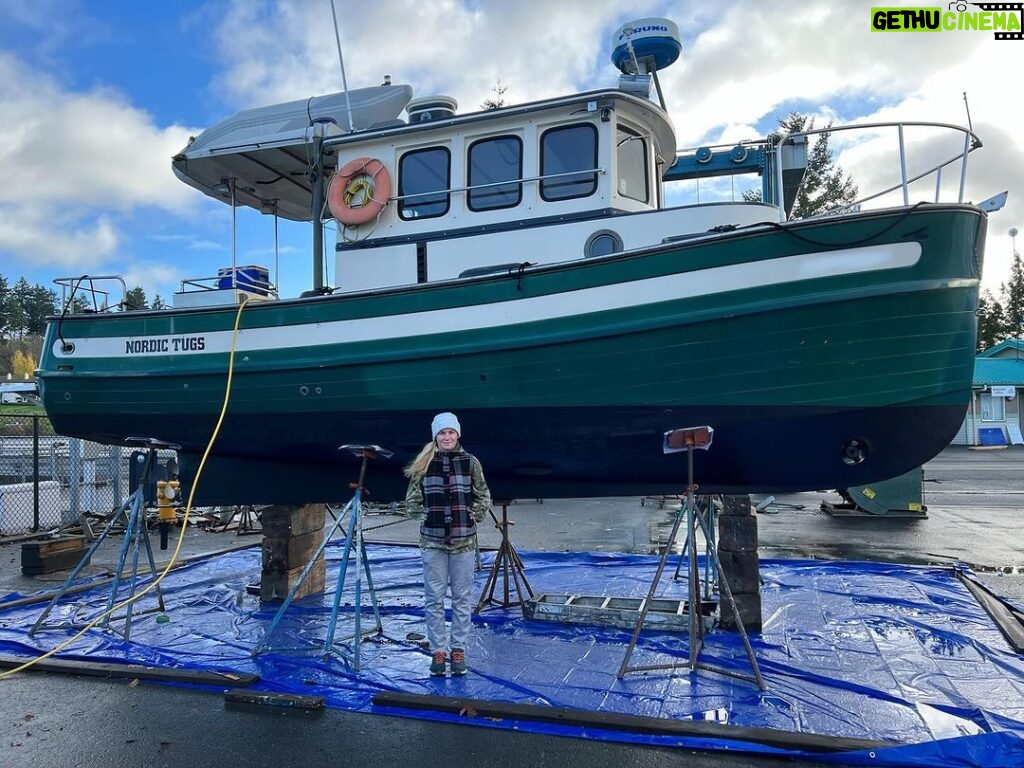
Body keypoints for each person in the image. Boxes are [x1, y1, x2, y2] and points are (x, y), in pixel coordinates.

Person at [404, 412, 492, 676]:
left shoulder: (470, 462)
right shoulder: (424, 463)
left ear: (458, 434)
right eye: (442, 433)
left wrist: (473, 516)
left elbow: (482, 493)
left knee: (463, 599)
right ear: (435, 436)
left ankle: (458, 650)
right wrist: (425, 517)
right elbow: (412, 500)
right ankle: (438, 652)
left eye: (451, 432)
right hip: (433, 542)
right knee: (434, 598)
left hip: (463, 542)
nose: (446, 437)